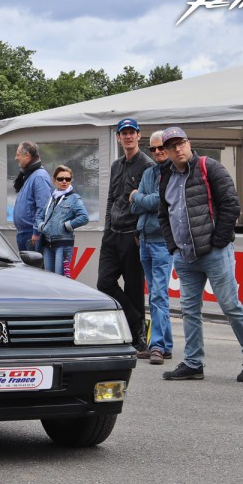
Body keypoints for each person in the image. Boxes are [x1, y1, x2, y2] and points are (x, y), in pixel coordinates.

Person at [157, 126, 243, 382]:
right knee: (189, 310)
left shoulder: (210, 167)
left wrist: (218, 242)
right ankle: (193, 363)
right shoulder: (166, 177)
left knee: (230, 305)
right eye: (172, 146)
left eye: (181, 143)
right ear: (166, 151)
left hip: (214, 252)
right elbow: (164, 214)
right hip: (185, 255)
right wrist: (173, 246)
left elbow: (231, 205)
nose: (178, 149)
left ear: (188, 142)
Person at [98, 118, 153, 352]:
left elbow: (148, 201)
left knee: (133, 287)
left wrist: (139, 231)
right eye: (124, 133)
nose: (128, 136)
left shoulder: (147, 165)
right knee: (104, 283)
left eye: (132, 132)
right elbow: (112, 197)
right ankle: (136, 322)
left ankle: (137, 335)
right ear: (118, 137)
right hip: (113, 233)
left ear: (139, 136)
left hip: (133, 234)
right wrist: (107, 226)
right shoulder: (115, 165)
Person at [129, 131, 175, 365]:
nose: (157, 152)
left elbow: (158, 202)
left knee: (158, 294)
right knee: (156, 295)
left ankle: (156, 345)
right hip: (145, 239)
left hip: (162, 241)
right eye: (153, 149)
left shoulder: (174, 172)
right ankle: (164, 345)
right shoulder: (149, 172)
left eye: (161, 148)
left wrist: (138, 196)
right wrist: (142, 199)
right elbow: (137, 209)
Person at [38, 166, 89, 277]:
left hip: (63, 245)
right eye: (61, 179)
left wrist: (67, 226)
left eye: (68, 179)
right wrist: (42, 226)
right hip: (48, 244)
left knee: (60, 280)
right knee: (49, 279)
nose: (64, 181)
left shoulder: (74, 198)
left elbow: (84, 217)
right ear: (54, 180)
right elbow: (39, 216)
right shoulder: (52, 197)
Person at [12, 141, 52, 253]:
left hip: (32, 234)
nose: (16, 158)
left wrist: (36, 232)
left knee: (33, 269)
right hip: (25, 232)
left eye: (18, 155)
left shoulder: (39, 176)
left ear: (27, 155)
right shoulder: (30, 175)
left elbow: (44, 206)